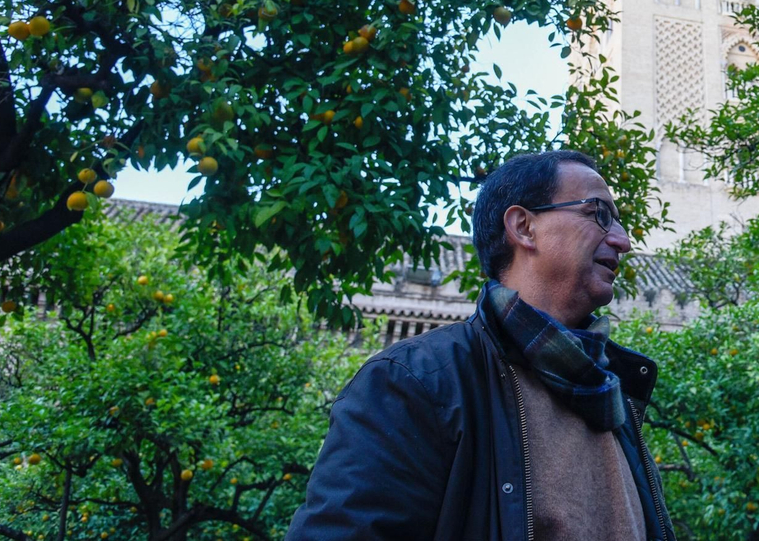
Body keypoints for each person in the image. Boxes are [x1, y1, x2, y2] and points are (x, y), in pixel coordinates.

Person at [286, 149, 673, 541]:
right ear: (523, 227)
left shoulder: (616, 398)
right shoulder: (413, 384)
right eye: (598, 214)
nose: (623, 241)